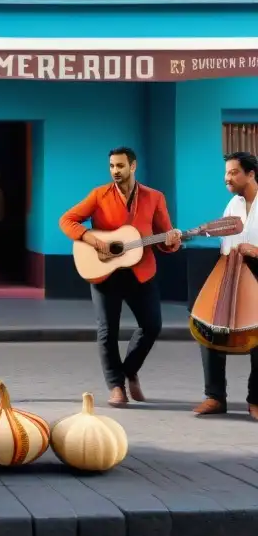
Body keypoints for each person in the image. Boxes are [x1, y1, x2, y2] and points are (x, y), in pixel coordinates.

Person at [59, 147, 182, 408]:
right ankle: (116, 386)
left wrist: (172, 241)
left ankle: (129, 370)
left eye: (120, 166)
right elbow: (67, 220)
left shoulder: (154, 197)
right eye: (112, 166)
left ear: (133, 166)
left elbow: (164, 237)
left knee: (152, 326)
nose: (115, 171)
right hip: (104, 272)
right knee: (107, 332)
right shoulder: (99, 194)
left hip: (142, 273)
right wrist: (92, 239)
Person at [193, 151, 258, 420]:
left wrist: (256, 250)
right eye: (226, 173)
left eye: (233, 172)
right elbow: (225, 238)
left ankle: (256, 400)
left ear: (251, 174)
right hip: (231, 269)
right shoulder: (232, 204)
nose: (227, 178)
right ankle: (215, 396)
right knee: (209, 329)